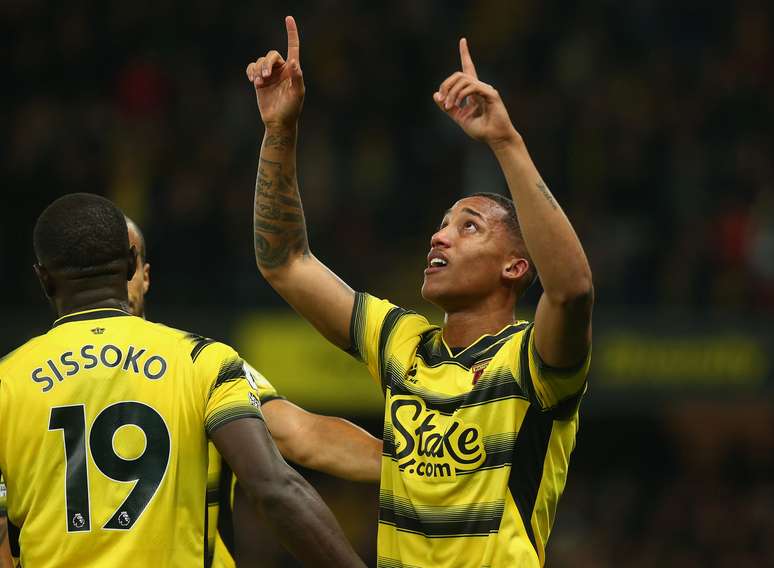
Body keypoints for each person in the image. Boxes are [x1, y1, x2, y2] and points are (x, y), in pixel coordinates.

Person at [245, 16, 593, 568]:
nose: (440, 235)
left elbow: (572, 291)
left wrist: (504, 140)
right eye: (443, 223)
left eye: (469, 226)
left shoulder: (535, 363)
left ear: (514, 267)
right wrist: (279, 131)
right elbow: (285, 262)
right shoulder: (401, 340)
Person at [0, 193, 365, 567]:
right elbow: (275, 486)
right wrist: (412, 463)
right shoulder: (203, 362)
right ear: (130, 264)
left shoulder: (7, 382)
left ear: (43, 278)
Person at [124, 217, 381, 567]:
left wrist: (418, 461)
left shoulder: (22, 374)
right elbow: (296, 445)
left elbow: (301, 434)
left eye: (125, 264)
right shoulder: (200, 361)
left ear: (145, 274)